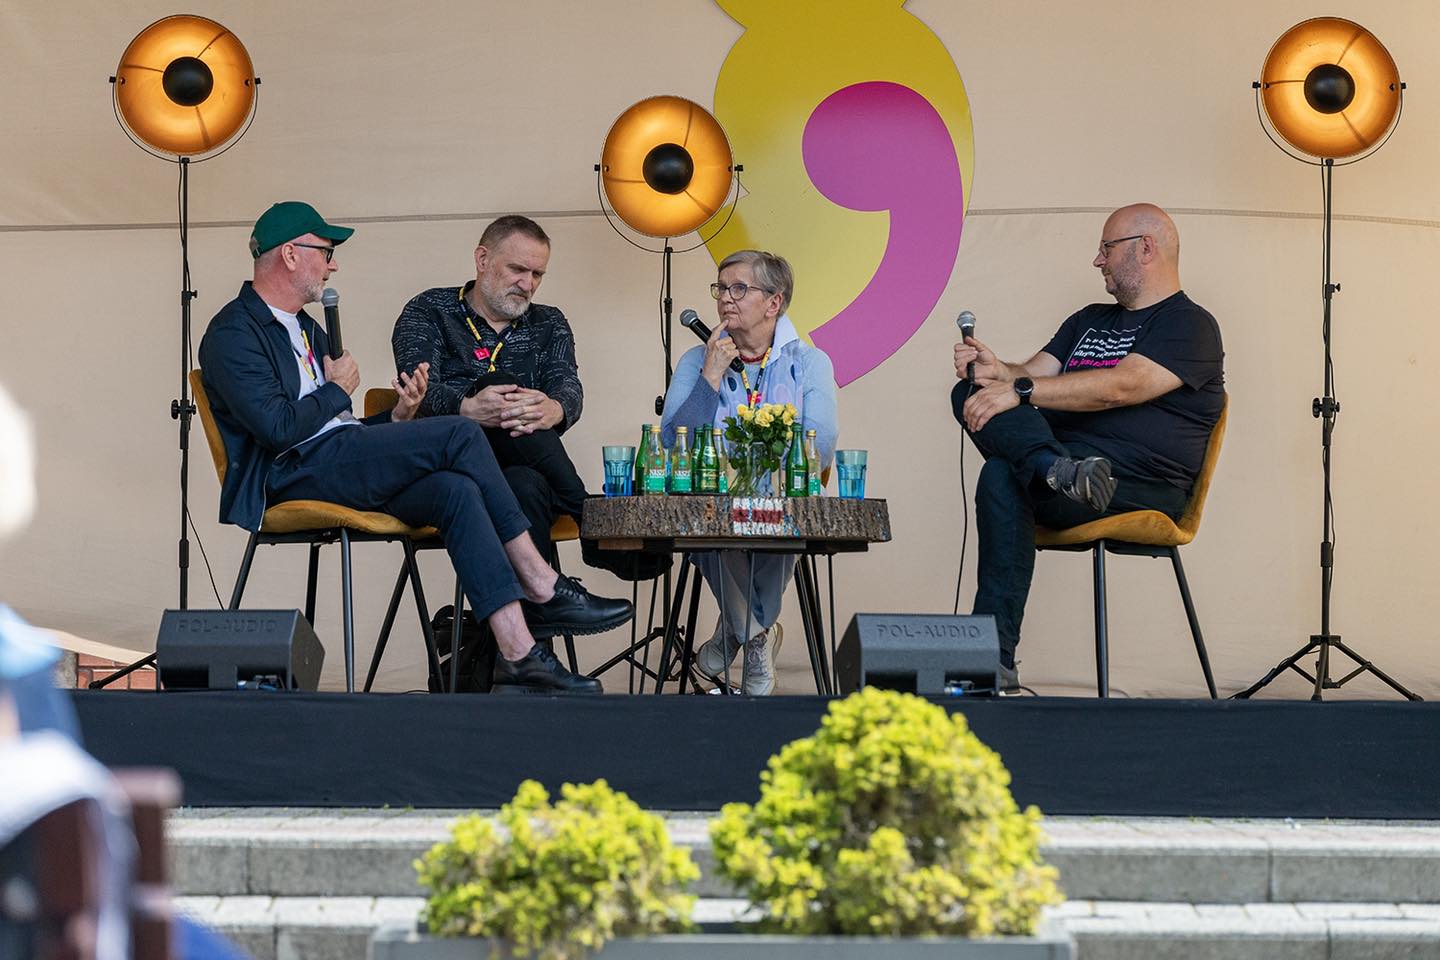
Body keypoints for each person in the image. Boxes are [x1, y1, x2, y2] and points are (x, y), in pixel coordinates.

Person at [198, 202, 634, 694]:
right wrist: (337, 390)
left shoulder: (307, 328)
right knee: (461, 432)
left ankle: (516, 651)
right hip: (289, 475)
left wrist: (398, 418)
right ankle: (541, 582)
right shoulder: (234, 332)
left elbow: (340, 427)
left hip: (338, 459)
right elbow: (279, 430)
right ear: (291, 254)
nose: (333, 265)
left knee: (455, 491)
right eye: (326, 252)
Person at [951, 203, 1225, 688]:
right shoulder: (1089, 320)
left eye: (1106, 248)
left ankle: (990, 658)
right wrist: (998, 372)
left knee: (1000, 470)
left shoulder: (1190, 325)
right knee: (970, 392)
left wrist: (1018, 390)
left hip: (1139, 485)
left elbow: (1121, 386)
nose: (1097, 260)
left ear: (1145, 248)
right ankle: (1052, 468)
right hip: (1072, 479)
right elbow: (1030, 375)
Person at [660, 250, 838, 695]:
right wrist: (710, 378)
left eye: (739, 288)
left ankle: (734, 630)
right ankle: (757, 636)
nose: (725, 298)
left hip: (781, 498)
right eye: (721, 288)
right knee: (702, 521)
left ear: (774, 302)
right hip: (712, 500)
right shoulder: (697, 360)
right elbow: (673, 442)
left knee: (780, 518)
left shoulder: (810, 362)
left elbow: (821, 440)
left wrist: (760, 468)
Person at [391, 216, 590, 568]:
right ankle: (587, 515)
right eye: (518, 269)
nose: (528, 284)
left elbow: (567, 385)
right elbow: (418, 387)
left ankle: (538, 602)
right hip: (449, 468)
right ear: (483, 259)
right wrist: (466, 407)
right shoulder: (430, 310)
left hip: (524, 467)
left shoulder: (548, 322)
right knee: (496, 385)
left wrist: (555, 408)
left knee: (523, 485)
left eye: (537, 274)